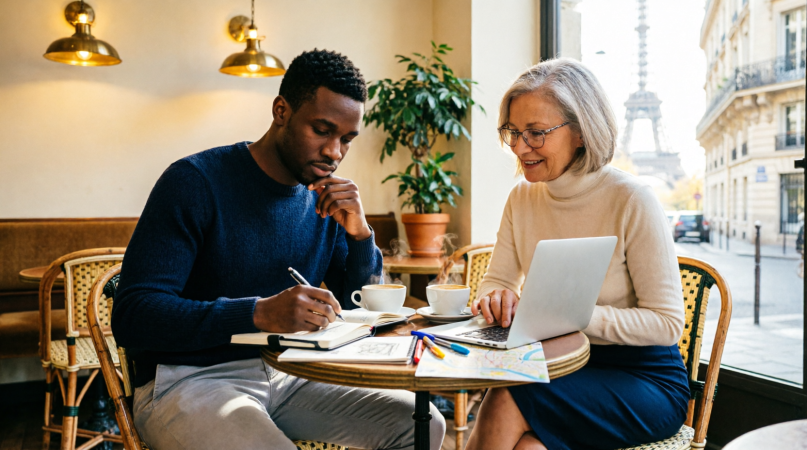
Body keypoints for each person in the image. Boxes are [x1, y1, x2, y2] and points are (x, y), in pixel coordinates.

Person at [112, 49, 445, 450]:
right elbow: (133, 315)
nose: (334, 152)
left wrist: (360, 236)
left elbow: (366, 310)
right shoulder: (194, 182)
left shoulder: (325, 201)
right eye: (322, 130)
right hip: (189, 379)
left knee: (424, 424)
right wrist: (258, 313)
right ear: (281, 111)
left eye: (347, 139)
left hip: (290, 372)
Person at [466, 59, 689, 450]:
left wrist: (570, 315)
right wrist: (495, 299)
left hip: (644, 379)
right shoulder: (522, 198)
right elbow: (498, 281)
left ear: (582, 133)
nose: (520, 147)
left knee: (506, 395)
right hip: (561, 365)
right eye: (513, 132)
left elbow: (666, 323)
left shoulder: (632, 199)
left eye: (536, 133)